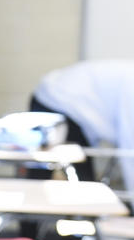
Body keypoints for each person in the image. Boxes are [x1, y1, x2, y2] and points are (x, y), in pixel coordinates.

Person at [30, 59, 134, 191]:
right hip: (59, 102)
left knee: (42, 173)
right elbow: (130, 150)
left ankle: (31, 206)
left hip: (62, 100)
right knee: (82, 184)